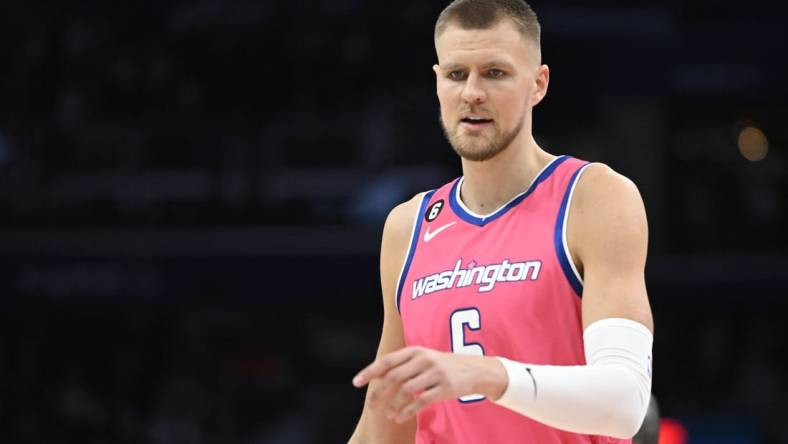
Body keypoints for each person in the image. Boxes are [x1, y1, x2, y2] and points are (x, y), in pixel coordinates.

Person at [349, 0, 654, 442]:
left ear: (538, 83)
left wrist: (487, 374)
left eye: (494, 73)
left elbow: (624, 403)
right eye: (457, 74)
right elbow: (385, 422)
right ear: (438, 84)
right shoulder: (408, 226)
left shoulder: (595, 198)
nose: (472, 92)